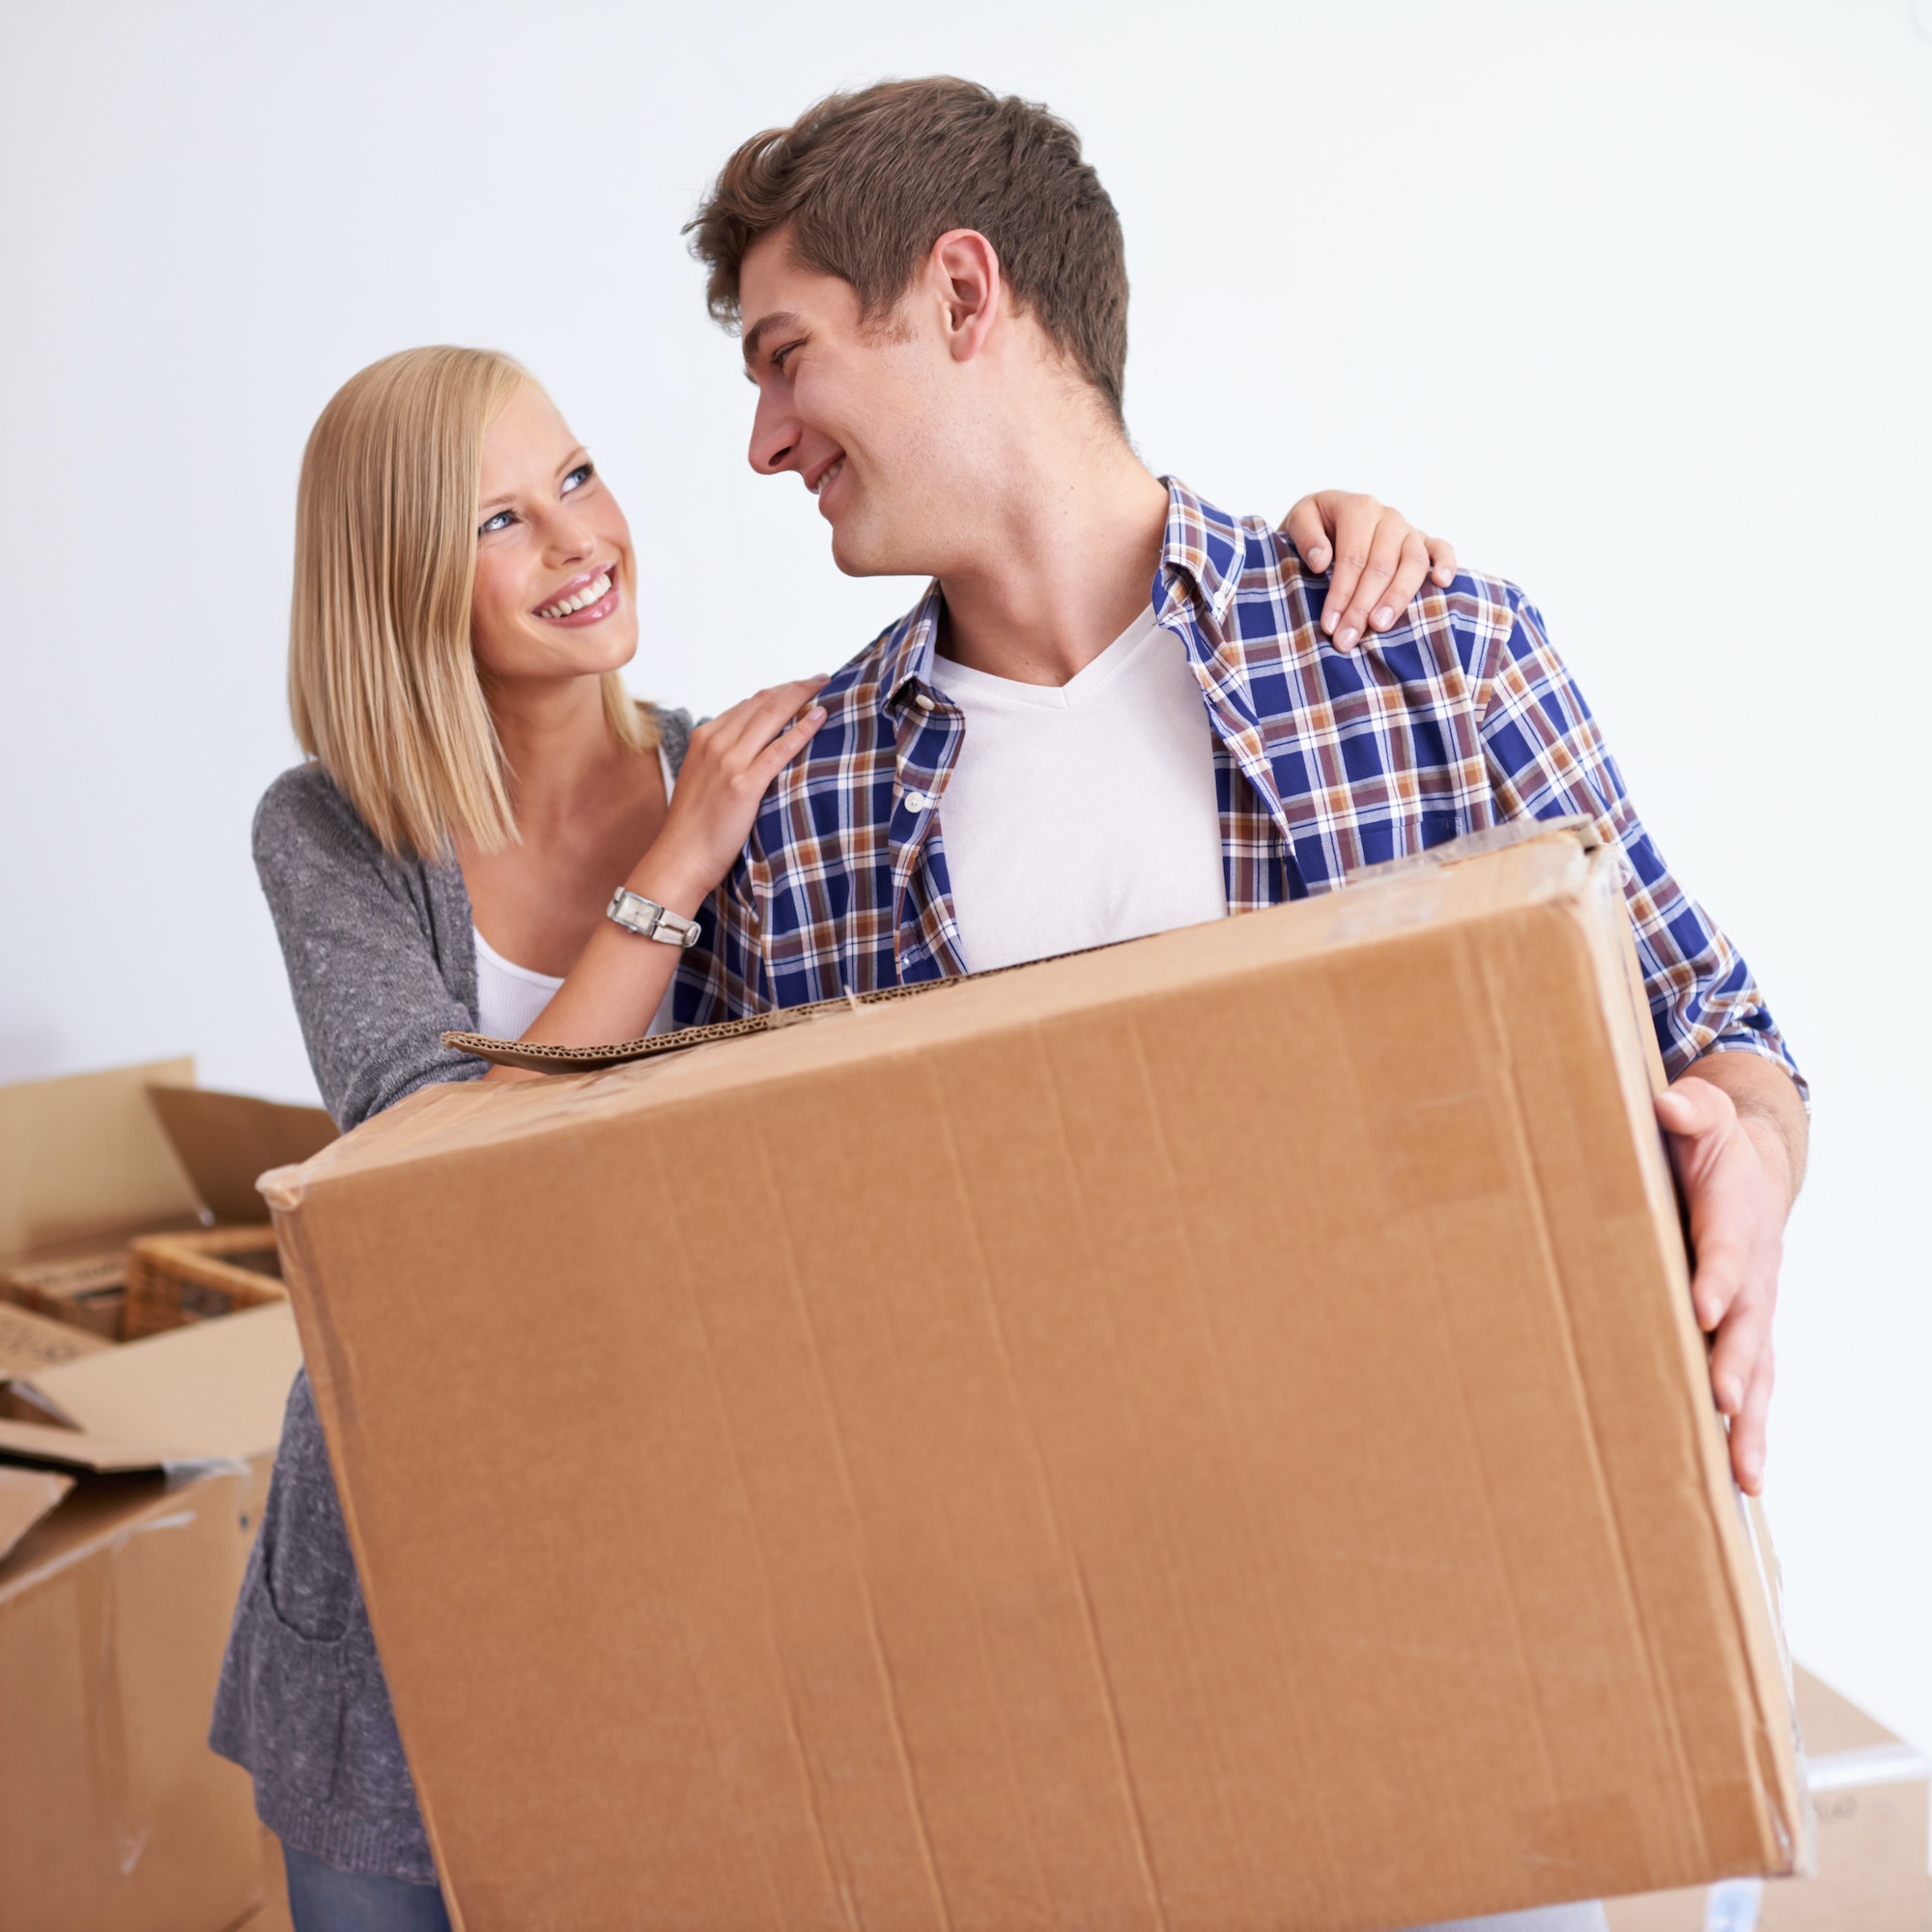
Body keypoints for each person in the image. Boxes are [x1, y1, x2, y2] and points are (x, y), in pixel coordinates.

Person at [670, 77, 1811, 1932]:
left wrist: (1749, 1167)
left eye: (787, 357)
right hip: (1051, 1760)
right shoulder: (797, 811)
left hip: (1479, 1688)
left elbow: (1727, 1037)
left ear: (965, 296)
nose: (763, 438)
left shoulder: (1417, 646)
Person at [214, 341, 1449, 1929]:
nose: (579, 539)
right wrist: (671, 875)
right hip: (402, 1545)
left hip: (659, 1546)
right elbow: (423, 1170)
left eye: (577, 477)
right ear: (395, 583)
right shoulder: (338, 828)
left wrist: (1323, 542)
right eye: (496, 522)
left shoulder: (760, 779)